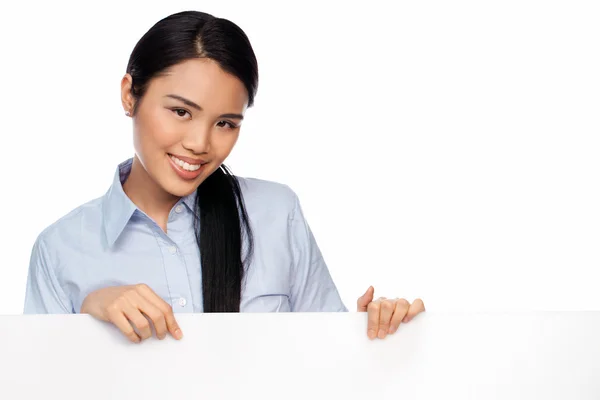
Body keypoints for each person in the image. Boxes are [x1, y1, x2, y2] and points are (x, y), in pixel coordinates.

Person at [23, 10, 425, 343]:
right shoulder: (60, 251)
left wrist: (377, 334)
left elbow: (330, 366)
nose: (200, 144)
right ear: (130, 95)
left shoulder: (274, 214)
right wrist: (85, 320)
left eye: (226, 123)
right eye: (181, 112)